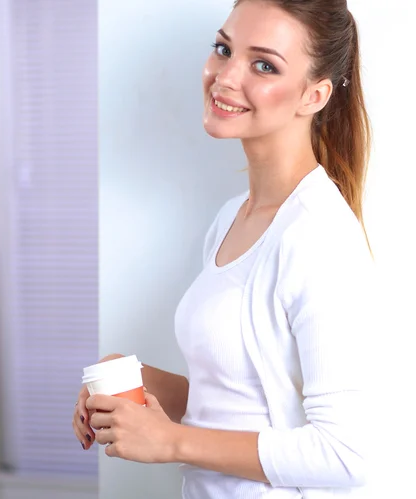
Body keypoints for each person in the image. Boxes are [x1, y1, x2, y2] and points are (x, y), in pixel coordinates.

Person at [73, 0, 376, 497]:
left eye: (263, 64)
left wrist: (172, 442)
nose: (225, 76)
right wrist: (131, 377)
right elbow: (236, 405)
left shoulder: (317, 236)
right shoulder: (234, 216)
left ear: (314, 94)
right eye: (223, 49)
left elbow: (345, 456)